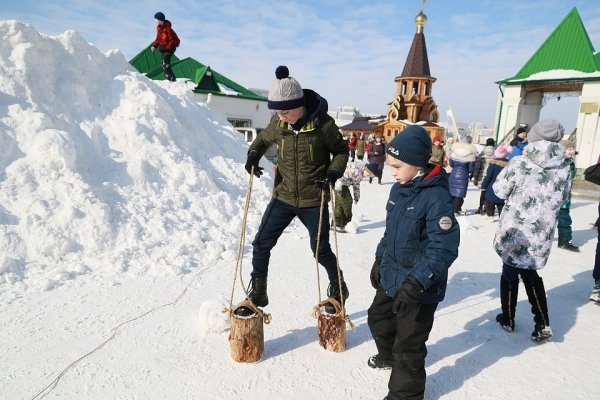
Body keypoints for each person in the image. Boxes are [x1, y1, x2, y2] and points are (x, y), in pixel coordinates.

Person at [235, 66, 349, 317]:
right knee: (261, 243)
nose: (281, 116)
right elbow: (263, 139)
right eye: (277, 112)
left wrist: (332, 173)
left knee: (320, 250)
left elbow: (342, 152)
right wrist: (253, 154)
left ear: (299, 105)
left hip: (313, 199)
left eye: (285, 111)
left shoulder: (324, 126)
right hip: (284, 196)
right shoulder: (279, 122)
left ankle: (339, 286)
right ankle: (259, 292)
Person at [367, 125, 460, 400]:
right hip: (392, 274)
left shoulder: (437, 198)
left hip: (420, 286)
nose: (391, 171)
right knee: (378, 319)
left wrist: (417, 281)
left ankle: (405, 395)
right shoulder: (398, 190)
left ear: (417, 164)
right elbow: (390, 232)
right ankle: (388, 357)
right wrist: (379, 258)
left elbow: (443, 248)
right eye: (390, 164)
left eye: (397, 165)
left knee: (409, 343)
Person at [493, 119, 571, 341]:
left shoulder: (520, 162)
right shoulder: (564, 167)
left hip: (516, 228)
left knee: (509, 270)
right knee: (530, 272)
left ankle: (508, 318)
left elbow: (499, 190)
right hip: (541, 230)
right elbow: (563, 198)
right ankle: (543, 323)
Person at [557, 140, 579, 252]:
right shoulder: (558, 162)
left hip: (565, 200)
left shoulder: (571, 163)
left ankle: (564, 241)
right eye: (569, 149)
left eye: (573, 149)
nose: (571, 151)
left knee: (565, 220)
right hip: (554, 198)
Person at [333, 160, 368, 231]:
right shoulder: (356, 170)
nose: (368, 176)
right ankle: (347, 223)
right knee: (347, 201)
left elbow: (356, 185)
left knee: (340, 203)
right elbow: (340, 178)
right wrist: (338, 189)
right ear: (366, 169)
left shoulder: (359, 171)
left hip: (340, 184)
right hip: (338, 183)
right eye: (369, 174)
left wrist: (356, 197)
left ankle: (337, 223)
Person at [480, 145, 509, 221]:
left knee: (490, 202)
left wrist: (483, 185)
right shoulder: (508, 165)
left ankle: (490, 216)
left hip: (492, 188)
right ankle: (501, 216)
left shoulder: (493, 165)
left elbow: (488, 177)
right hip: (503, 187)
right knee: (501, 204)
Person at [448, 142, 476, 215]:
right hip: (463, 175)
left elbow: (451, 164)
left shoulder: (455, 153)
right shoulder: (470, 155)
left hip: (453, 174)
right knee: (459, 193)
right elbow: (470, 169)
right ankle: (456, 210)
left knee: (452, 191)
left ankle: (451, 208)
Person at [151, 12, 180, 82]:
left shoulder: (168, 29)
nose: (155, 21)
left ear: (160, 20)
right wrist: (154, 46)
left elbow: (172, 40)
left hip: (170, 48)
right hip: (164, 48)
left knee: (165, 62)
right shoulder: (159, 28)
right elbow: (158, 38)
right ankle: (169, 78)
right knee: (164, 63)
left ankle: (171, 79)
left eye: (156, 20)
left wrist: (167, 48)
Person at [472, 138, 496, 214]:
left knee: (483, 192)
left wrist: (475, 178)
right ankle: (487, 207)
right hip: (492, 177)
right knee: (490, 193)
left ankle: (480, 208)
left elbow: (477, 168)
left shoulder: (482, 153)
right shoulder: (496, 153)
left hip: (482, 176)